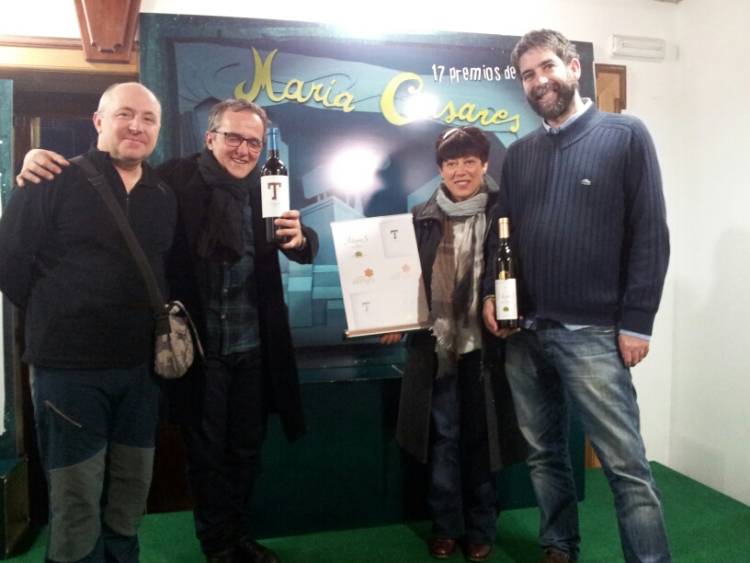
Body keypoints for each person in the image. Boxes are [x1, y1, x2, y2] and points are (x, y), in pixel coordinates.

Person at [17, 99, 319, 563]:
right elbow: (119, 176)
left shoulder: (266, 187)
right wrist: (38, 159)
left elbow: (297, 236)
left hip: (254, 347)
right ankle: (218, 545)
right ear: (210, 138)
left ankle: (239, 537)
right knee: (205, 455)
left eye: (253, 142)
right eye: (233, 137)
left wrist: (303, 240)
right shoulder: (173, 181)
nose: (243, 149)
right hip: (196, 349)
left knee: (245, 450)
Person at [482, 29, 671, 563]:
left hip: (594, 334)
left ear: (573, 67)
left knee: (626, 468)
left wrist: (638, 322)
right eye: (527, 75)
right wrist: (491, 294)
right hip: (525, 332)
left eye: (547, 67)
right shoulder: (519, 154)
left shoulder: (625, 135)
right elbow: (501, 234)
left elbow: (651, 234)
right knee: (543, 455)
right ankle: (559, 546)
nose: (538, 81)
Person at [0, 82, 175, 562]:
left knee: (130, 497)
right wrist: (61, 312)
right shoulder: (51, 179)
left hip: (142, 372)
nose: (136, 126)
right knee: (76, 502)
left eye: (148, 118)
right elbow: (9, 266)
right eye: (124, 114)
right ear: (98, 121)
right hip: (67, 372)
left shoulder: (163, 194)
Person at [382, 126, 524, 562]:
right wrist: (392, 317)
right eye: (450, 163)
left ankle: (481, 527)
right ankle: (445, 526)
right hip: (437, 349)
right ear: (440, 169)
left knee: (483, 440)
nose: (460, 171)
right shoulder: (420, 217)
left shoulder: (505, 214)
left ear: (484, 164)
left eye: (469, 161)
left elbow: (518, 271)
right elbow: (403, 279)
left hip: (488, 348)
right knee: (443, 438)